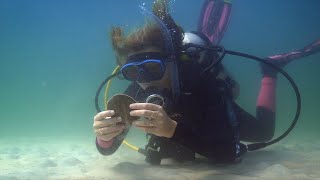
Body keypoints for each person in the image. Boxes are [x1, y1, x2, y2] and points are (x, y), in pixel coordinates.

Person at [93, 0, 320, 164]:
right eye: (133, 72)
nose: (143, 80)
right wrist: (105, 138)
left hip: (212, 114)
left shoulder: (200, 82)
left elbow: (230, 151)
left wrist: (173, 130)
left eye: (153, 68)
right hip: (193, 133)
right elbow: (107, 150)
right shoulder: (135, 90)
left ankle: (269, 70)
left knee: (264, 133)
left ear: (172, 63)